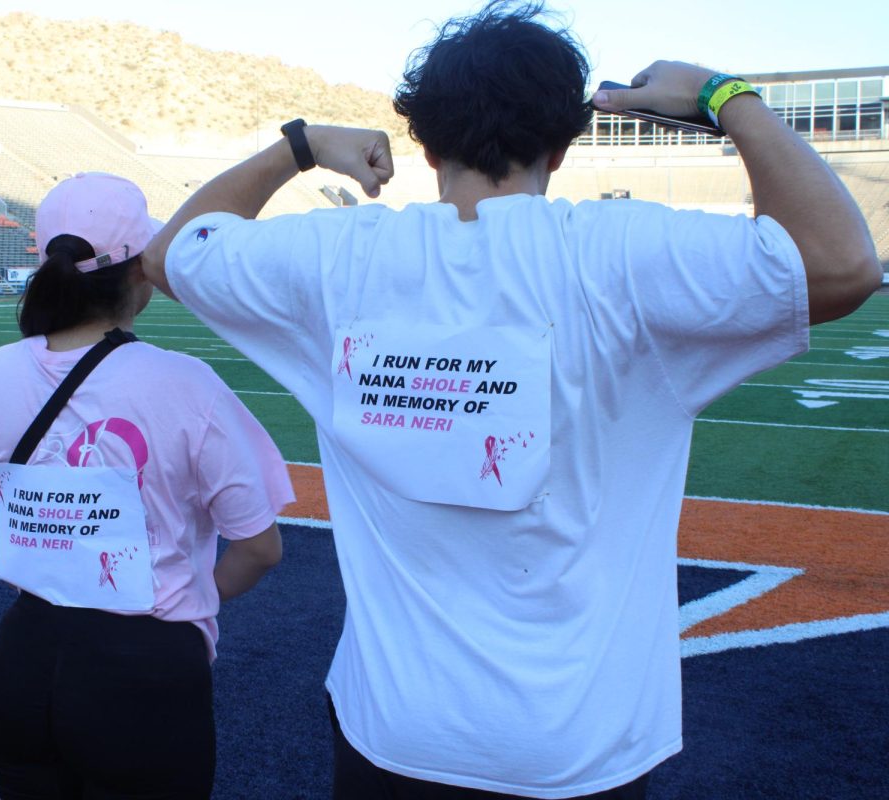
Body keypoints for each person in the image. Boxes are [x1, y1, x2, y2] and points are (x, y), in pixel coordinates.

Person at [139, 3, 882, 798]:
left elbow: (170, 252)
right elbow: (843, 264)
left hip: (394, 730)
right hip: (574, 743)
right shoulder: (622, 253)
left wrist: (301, 147)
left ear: (424, 143)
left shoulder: (337, 257)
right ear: (563, 146)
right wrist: (724, 96)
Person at [0, 171, 293, 800]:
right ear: (140, 270)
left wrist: (43, 568)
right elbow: (261, 546)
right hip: (144, 667)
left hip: (25, 654)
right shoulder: (184, 383)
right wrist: (183, 595)